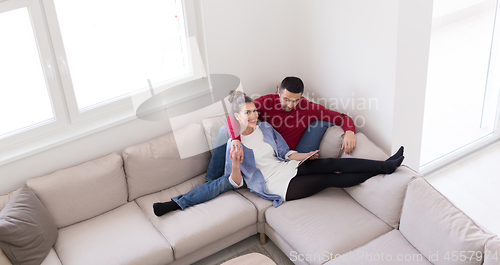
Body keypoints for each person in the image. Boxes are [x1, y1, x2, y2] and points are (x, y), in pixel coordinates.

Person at [153, 77, 359, 216]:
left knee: (320, 130)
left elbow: (340, 117)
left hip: (284, 155)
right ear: (278, 91)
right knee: (223, 162)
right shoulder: (264, 107)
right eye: (286, 98)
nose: (290, 105)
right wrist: (235, 140)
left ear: (301, 98)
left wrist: (349, 130)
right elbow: (235, 119)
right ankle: (190, 193)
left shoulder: (307, 107)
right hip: (264, 158)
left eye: (295, 101)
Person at [224, 91, 404, 206]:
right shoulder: (234, 145)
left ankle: (384, 166)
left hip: (285, 166)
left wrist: (305, 155)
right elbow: (236, 183)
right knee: (328, 180)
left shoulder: (264, 127)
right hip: (275, 184)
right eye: (248, 113)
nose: (254, 115)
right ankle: (383, 169)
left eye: (254, 111)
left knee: (331, 163)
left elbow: (284, 153)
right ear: (236, 117)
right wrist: (235, 164)